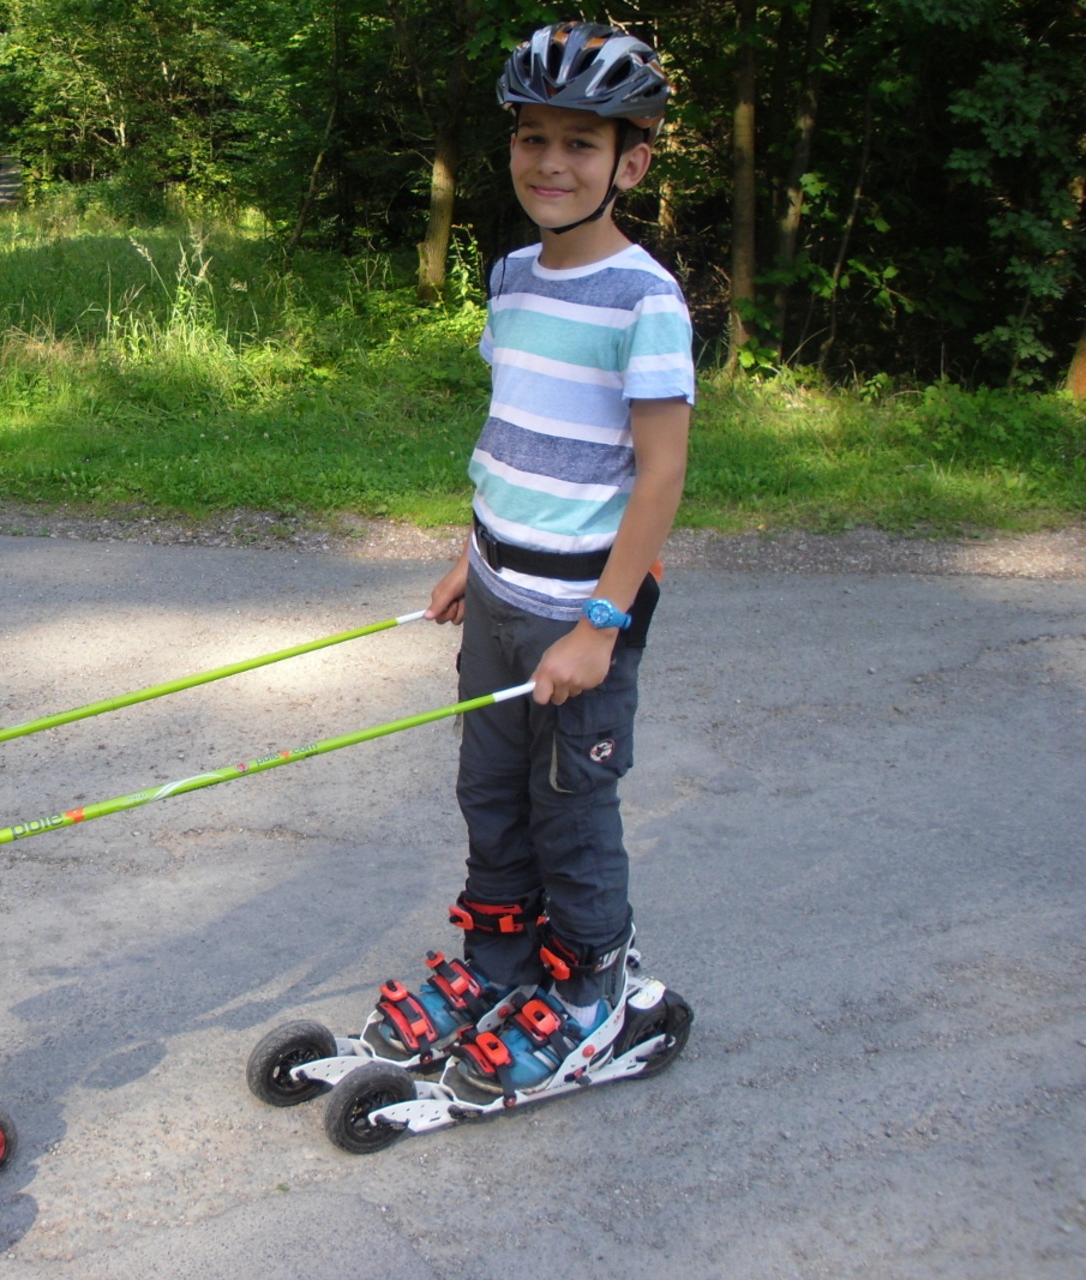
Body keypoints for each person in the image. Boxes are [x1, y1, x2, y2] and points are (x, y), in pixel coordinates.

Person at [414, 22, 694, 1094]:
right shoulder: (513, 274)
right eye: (533, 138)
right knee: (490, 788)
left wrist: (603, 622)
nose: (550, 163)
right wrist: (467, 555)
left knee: (569, 807)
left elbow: (660, 476)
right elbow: (515, 431)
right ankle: (501, 963)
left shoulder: (645, 299)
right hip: (496, 588)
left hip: (583, 613)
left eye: (582, 143)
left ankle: (592, 995)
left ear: (631, 162)